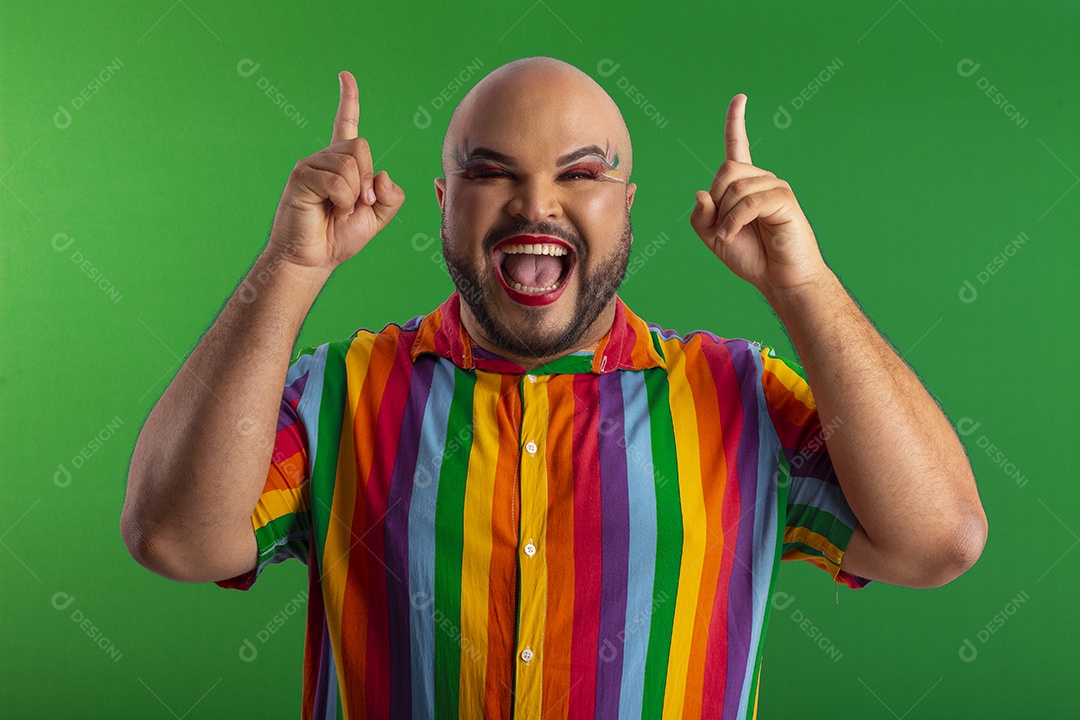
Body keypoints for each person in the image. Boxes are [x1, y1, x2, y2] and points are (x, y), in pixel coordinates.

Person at [122, 57, 987, 719]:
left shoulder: (743, 396)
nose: (536, 206)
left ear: (628, 206)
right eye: (492, 172)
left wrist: (805, 286)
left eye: (580, 174)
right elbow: (173, 538)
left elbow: (936, 540)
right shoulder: (341, 391)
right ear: (444, 201)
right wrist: (290, 267)